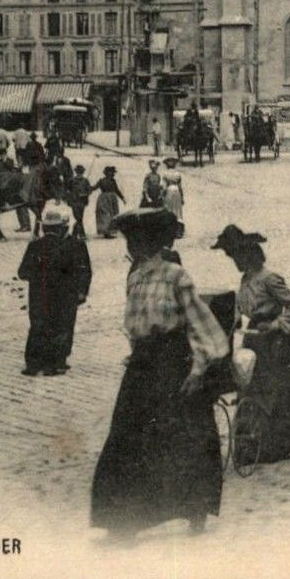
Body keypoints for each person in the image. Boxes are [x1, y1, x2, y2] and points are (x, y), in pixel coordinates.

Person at [90, 210, 231, 540]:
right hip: (142, 366)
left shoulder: (176, 275)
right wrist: (136, 350)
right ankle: (123, 521)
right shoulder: (135, 277)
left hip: (173, 365)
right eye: (131, 240)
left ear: (151, 242)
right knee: (127, 438)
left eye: (137, 240)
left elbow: (201, 325)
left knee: (185, 437)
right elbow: (133, 323)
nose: (133, 246)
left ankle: (195, 509)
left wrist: (198, 369)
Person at [214, 226, 290, 464]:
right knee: (251, 390)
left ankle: (273, 444)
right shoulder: (246, 279)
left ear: (249, 255)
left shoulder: (269, 279)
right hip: (254, 341)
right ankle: (254, 443)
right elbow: (241, 309)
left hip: (276, 345)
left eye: (237, 257)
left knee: (273, 393)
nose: (235, 262)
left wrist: (277, 324)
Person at [17, 203, 92, 376]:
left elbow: (22, 272)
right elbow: (85, 271)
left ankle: (34, 363)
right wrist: (82, 291)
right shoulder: (76, 245)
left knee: (38, 326)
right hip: (66, 295)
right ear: (65, 227)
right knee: (63, 326)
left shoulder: (35, 246)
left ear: (44, 227)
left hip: (38, 296)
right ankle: (57, 362)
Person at [94, 166, 125, 239]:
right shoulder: (101, 181)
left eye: (113, 172)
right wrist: (88, 188)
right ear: (106, 173)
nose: (112, 174)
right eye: (110, 172)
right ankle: (106, 232)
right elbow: (94, 187)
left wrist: (122, 198)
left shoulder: (113, 181)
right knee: (105, 215)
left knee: (113, 215)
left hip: (112, 199)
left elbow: (117, 190)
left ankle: (109, 232)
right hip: (104, 199)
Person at [68, 165, 92, 240]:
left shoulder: (86, 181)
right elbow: (67, 191)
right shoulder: (71, 180)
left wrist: (85, 194)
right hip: (74, 202)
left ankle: (76, 233)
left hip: (82, 202)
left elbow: (89, 190)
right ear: (76, 172)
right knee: (78, 218)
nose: (79, 174)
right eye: (78, 172)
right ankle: (81, 234)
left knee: (80, 218)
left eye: (81, 172)